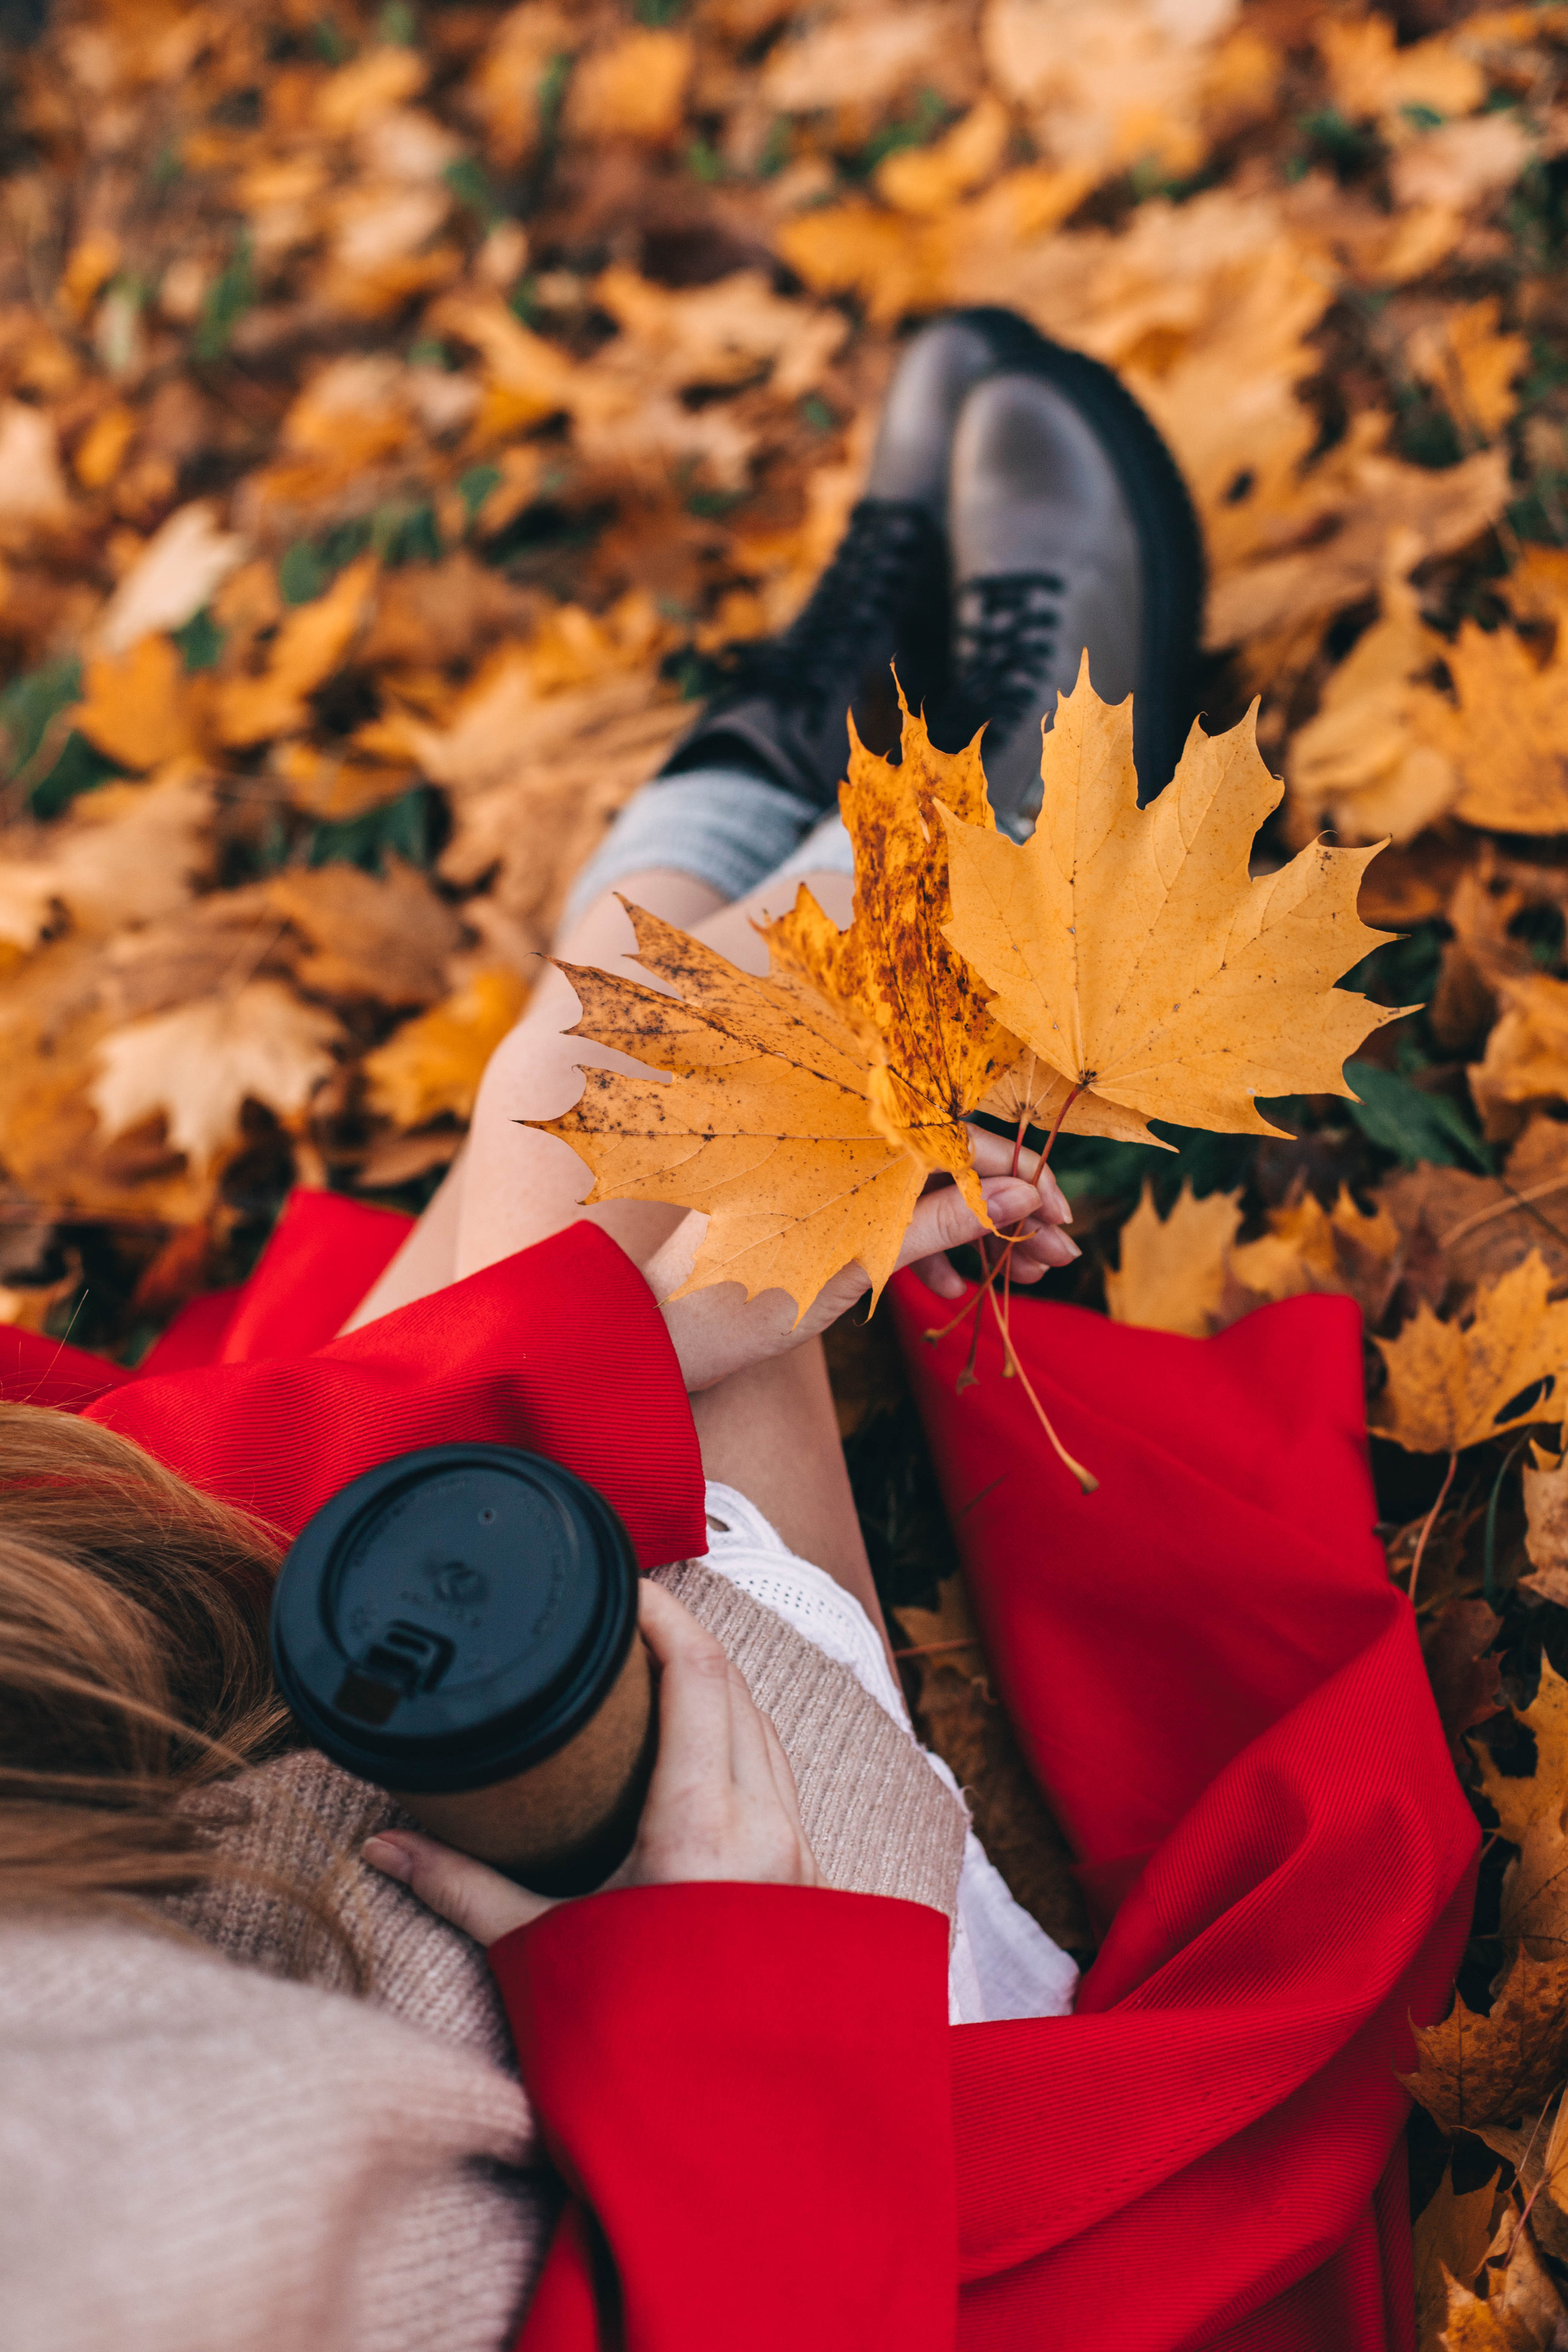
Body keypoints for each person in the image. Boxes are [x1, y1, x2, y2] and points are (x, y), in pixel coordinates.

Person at [0, 312, 1479, 2352]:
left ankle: (823, 735)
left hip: (250, 1823)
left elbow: (87, 1565)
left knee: (590, 1094)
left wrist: (593, 1351)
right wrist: (721, 2002)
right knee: (639, 1098)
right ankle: (913, 788)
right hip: (731, 2138)